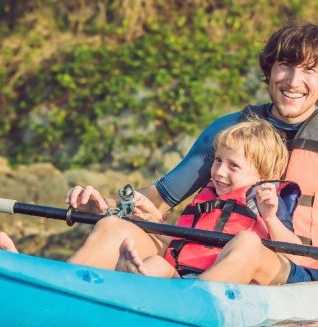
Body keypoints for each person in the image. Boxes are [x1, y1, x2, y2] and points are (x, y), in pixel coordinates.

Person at [0, 21, 318, 280]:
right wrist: (106, 206)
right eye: (285, 67)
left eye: (309, 70)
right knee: (114, 228)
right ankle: (44, 285)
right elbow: (151, 205)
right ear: (269, 70)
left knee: (247, 245)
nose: (293, 80)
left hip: (289, 265)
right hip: (199, 256)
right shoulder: (228, 131)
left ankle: (167, 300)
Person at [116, 117, 303, 285]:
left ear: (262, 176)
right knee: (157, 264)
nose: (220, 172)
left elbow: (294, 255)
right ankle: (132, 278)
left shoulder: (266, 203)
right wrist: (153, 221)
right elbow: (181, 239)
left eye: (233, 166)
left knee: (247, 242)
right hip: (183, 277)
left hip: (225, 288)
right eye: (218, 160)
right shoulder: (208, 197)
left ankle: (178, 296)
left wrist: (271, 219)